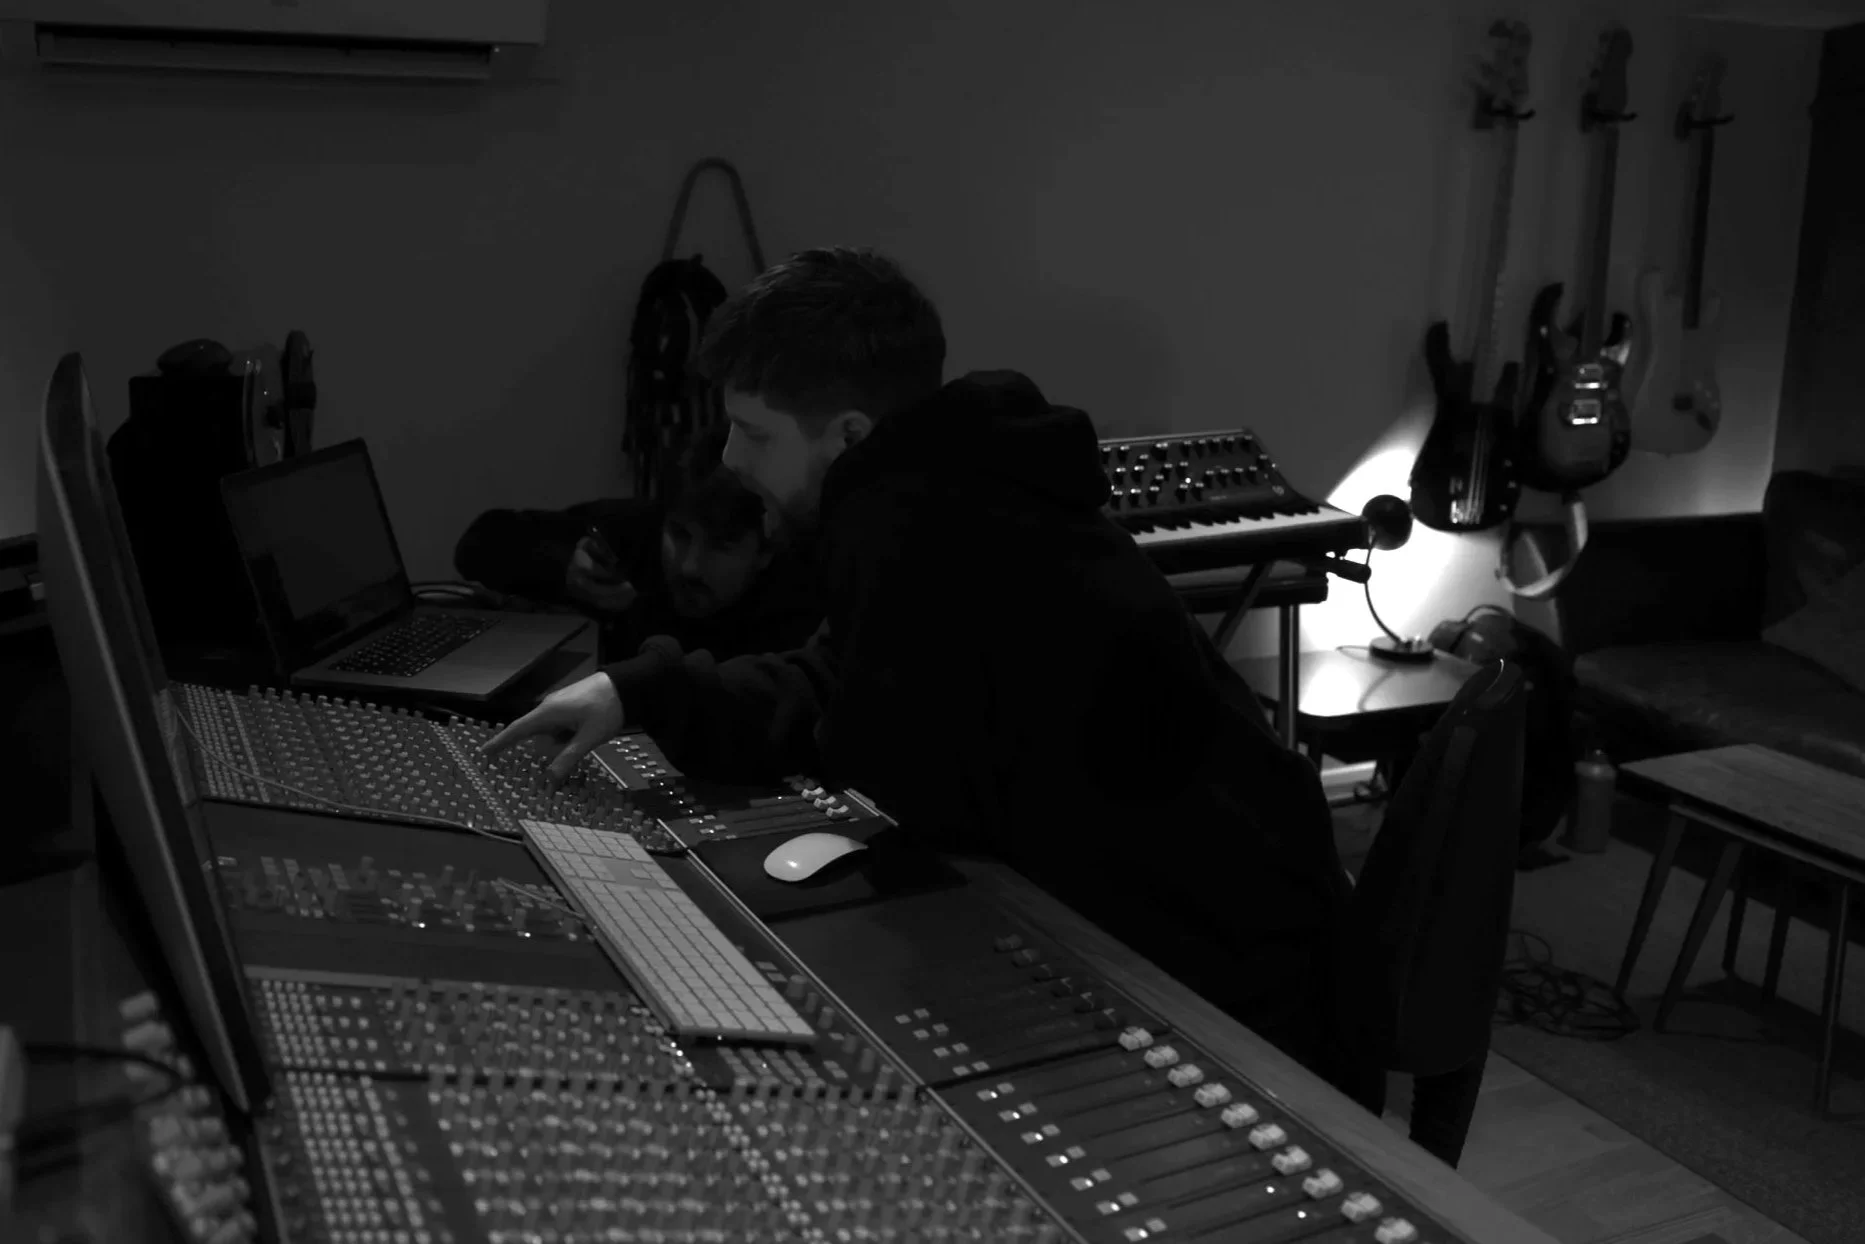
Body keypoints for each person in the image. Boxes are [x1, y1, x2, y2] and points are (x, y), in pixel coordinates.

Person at [483, 246, 1353, 1084]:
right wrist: (640, 687)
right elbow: (835, 680)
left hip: (1228, 982)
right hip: (1246, 919)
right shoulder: (952, 486)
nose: (728, 459)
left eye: (752, 432)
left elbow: (893, 781)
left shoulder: (921, 531)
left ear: (848, 435)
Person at [454, 425, 822, 663]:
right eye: (679, 535)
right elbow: (479, 542)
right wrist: (562, 567)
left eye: (721, 546)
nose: (689, 565)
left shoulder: (799, 599)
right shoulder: (636, 529)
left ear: (765, 552)